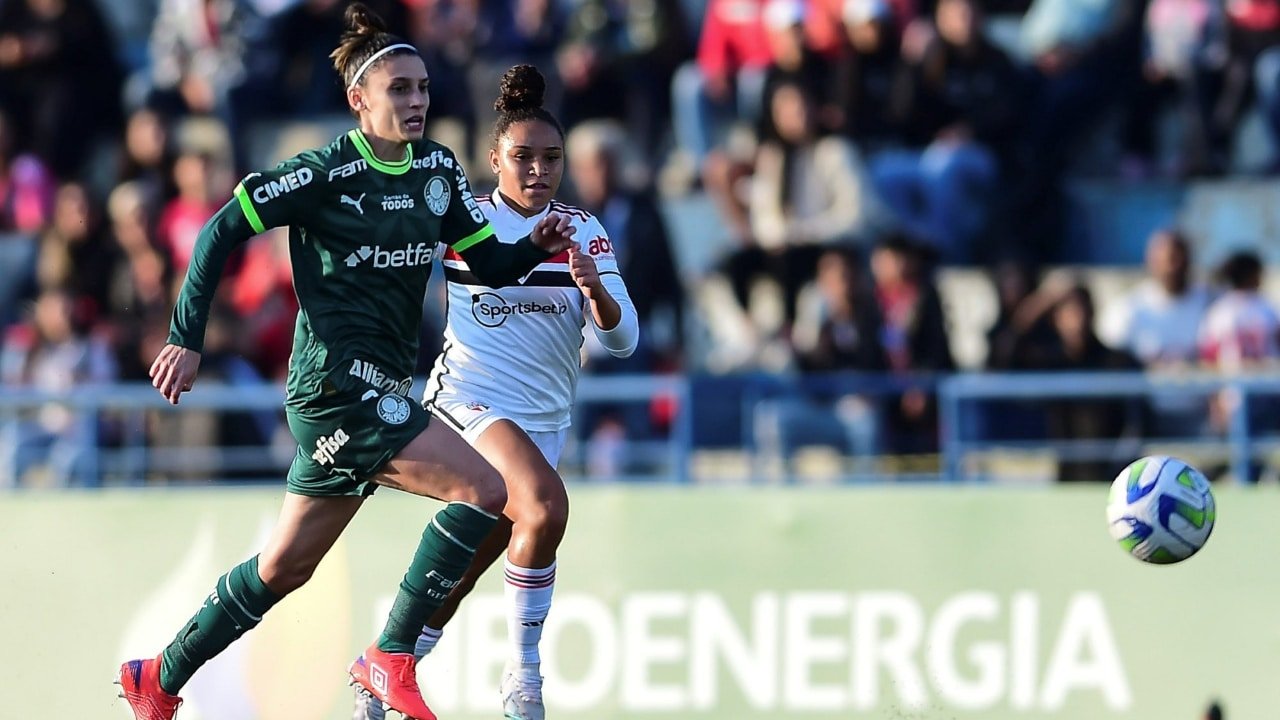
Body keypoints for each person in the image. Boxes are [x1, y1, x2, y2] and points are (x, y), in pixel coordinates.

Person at [114, 6, 575, 720]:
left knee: (284, 567)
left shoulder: (437, 170)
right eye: (399, 88)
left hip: (383, 387)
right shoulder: (322, 174)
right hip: (333, 388)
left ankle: (160, 675)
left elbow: (487, 261)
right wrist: (186, 335)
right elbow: (219, 230)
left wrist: (535, 248)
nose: (417, 101)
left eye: (423, 87)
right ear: (360, 98)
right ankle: (390, 657)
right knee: (487, 491)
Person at [352, 63, 639, 720]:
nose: (538, 170)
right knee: (543, 506)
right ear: (494, 158)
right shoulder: (464, 220)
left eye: (551, 158)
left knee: (461, 576)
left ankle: (386, 670)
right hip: (466, 405)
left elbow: (625, 342)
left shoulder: (584, 232)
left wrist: (593, 288)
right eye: (522, 157)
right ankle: (525, 680)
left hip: (542, 427)